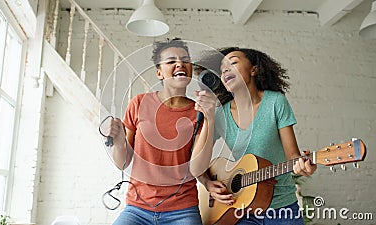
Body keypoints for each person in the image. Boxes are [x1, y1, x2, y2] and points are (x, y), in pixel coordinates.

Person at [199, 47, 317, 225]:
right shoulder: (219, 115)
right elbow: (196, 163)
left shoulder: (275, 102)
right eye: (222, 68)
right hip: (239, 208)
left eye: (233, 62)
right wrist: (207, 183)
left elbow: (292, 156)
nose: (225, 69)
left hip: (282, 209)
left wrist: (303, 166)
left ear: (253, 69)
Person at [108, 38, 216, 225]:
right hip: (137, 209)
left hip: (182, 210)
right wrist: (118, 140)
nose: (180, 63)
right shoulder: (139, 103)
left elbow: (197, 168)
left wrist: (210, 118)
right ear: (159, 73)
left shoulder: (199, 112)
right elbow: (122, 163)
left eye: (185, 59)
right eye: (171, 61)